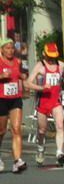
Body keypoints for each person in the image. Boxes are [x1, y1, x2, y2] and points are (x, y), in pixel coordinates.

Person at [24, 43, 64, 167]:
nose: (51, 59)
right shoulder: (40, 66)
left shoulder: (61, 65)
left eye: (54, 56)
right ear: (44, 54)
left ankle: (59, 153)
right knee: (42, 130)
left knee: (60, 125)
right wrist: (41, 87)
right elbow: (27, 83)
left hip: (56, 101)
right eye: (49, 56)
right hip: (43, 102)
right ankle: (40, 148)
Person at [0, 37, 28, 173]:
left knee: (16, 129)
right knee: (1, 131)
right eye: (7, 48)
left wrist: (24, 78)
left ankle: (17, 161)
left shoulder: (18, 62)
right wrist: (1, 76)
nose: (10, 51)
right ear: (2, 50)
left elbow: (22, 75)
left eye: (12, 48)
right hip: (1, 99)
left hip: (15, 98)